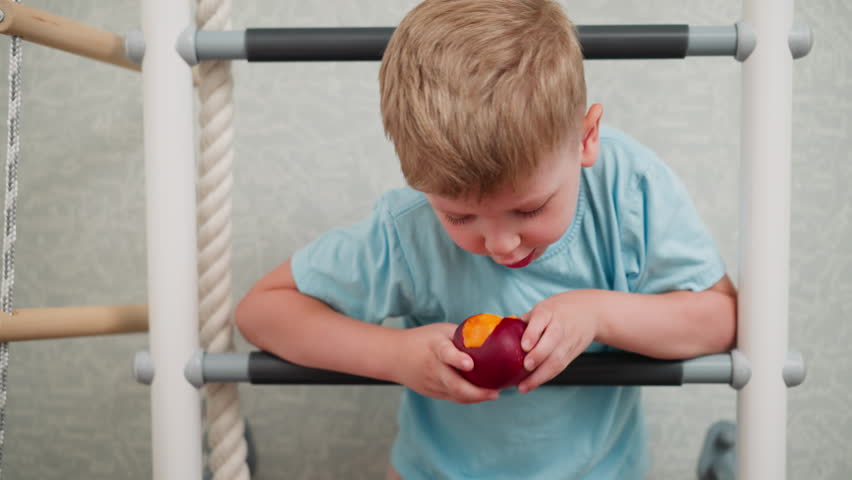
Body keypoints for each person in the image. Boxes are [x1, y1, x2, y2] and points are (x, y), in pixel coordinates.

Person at [234, 0, 737, 478]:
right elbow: (263, 311)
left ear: (585, 139)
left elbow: (719, 320)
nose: (501, 244)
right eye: (458, 217)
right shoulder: (409, 228)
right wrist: (394, 356)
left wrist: (597, 314)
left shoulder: (628, 190)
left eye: (530, 208)